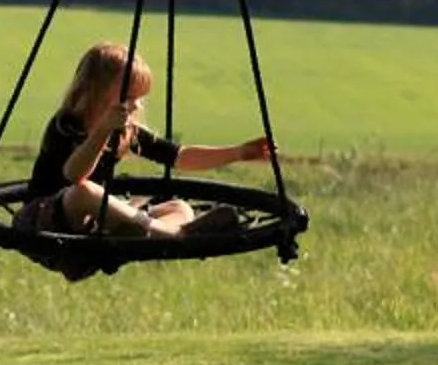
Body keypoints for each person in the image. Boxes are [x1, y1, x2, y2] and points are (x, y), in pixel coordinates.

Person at [20, 41, 276, 237]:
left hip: (92, 224)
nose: (135, 105)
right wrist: (102, 132)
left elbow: (180, 156)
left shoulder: (124, 130)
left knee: (180, 208)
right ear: (95, 91)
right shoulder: (66, 125)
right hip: (44, 220)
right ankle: (172, 234)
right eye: (129, 97)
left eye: (139, 97)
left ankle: (146, 232)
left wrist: (238, 153)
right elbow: (74, 174)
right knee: (84, 191)